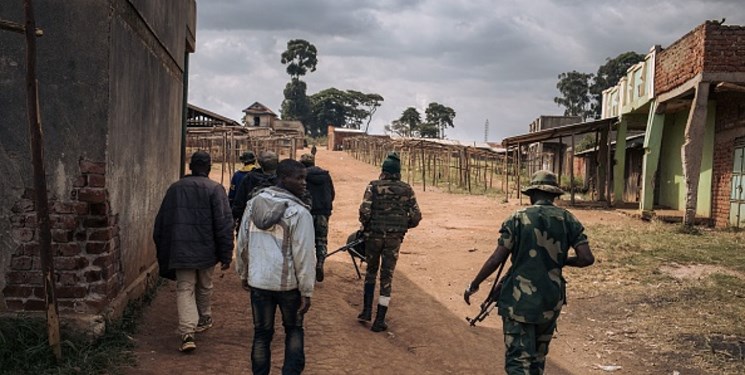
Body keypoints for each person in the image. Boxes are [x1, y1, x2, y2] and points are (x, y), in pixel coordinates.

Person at [463, 170, 595, 374]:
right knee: (537, 359)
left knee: (518, 361)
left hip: (519, 301)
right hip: (550, 300)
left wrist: (475, 284)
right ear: (554, 195)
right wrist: (560, 261)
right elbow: (586, 258)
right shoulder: (569, 220)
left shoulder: (517, 218)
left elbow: (497, 258)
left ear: (532, 194)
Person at [236, 159, 316, 375]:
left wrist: (244, 272)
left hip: (259, 282)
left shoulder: (254, 205)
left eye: (304, 178)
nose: (304, 183)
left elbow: (242, 242)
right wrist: (306, 290)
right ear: (282, 178)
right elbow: (305, 256)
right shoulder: (299, 213)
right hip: (289, 286)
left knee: (262, 334)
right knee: (294, 330)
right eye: (298, 178)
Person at [153, 151, 234, 353]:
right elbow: (224, 224)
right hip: (207, 250)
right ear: (208, 167)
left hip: (180, 250)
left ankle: (187, 332)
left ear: (190, 167)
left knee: (184, 287)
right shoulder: (215, 189)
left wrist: (165, 249)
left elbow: (161, 223)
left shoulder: (175, 189)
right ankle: (204, 317)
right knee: (205, 285)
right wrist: (226, 254)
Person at [357, 151, 421, 332]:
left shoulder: (373, 186)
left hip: (373, 237)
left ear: (383, 171)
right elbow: (416, 216)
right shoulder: (407, 189)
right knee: (387, 278)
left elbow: (364, 212)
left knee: (370, 273)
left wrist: (368, 226)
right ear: (398, 172)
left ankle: (366, 312)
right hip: (394, 240)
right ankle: (380, 320)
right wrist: (402, 227)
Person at [300, 153, 335, 282]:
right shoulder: (325, 176)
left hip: (307, 213)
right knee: (321, 240)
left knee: (305, 241)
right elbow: (332, 193)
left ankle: (307, 269)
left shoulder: (302, 177)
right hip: (323, 213)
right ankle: (320, 262)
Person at [232, 150, 279, 223]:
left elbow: (238, 203)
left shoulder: (248, 178)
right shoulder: (284, 179)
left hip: (251, 221)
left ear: (260, 163)